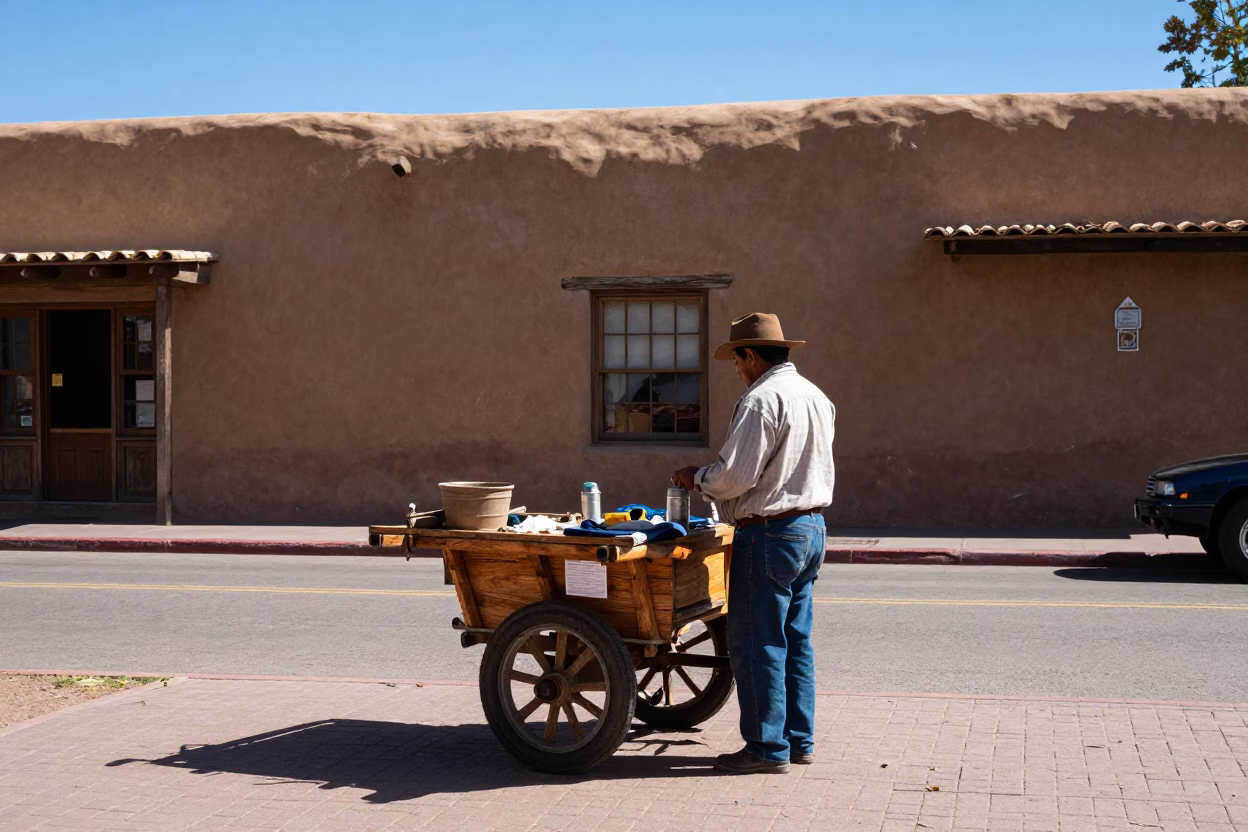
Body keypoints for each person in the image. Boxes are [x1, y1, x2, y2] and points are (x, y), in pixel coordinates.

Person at [672, 312, 835, 774]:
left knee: (759, 641)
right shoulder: (815, 396)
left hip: (769, 532)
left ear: (752, 355)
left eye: (738, 360)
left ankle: (766, 748)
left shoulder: (762, 400)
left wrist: (696, 477)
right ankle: (798, 740)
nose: (737, 370)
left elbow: (736, 477)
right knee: (795, 640)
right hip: (810, 529)